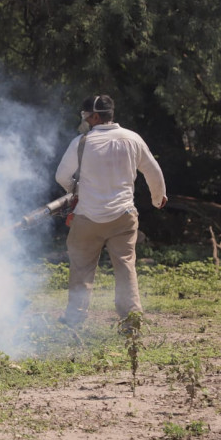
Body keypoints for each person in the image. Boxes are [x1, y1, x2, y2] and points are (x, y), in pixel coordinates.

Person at [55, 95, 167, 330]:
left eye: (86, 116)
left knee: (81, 266)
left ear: (95, 116)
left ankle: (75, 318)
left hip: (87, 218)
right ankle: (132, 320)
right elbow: (153, 171)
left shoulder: (82, 142)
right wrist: (158, 198)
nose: (84, 120)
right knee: (125, 266)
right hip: (123, 216)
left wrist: (74, 192)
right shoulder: (132, 138)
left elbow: (62, 176)